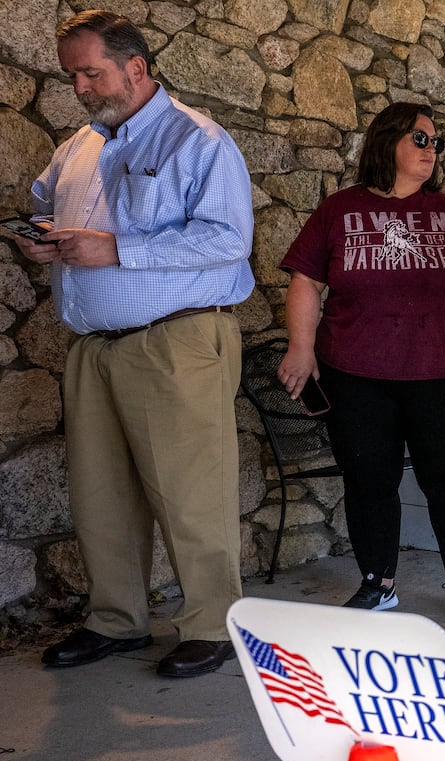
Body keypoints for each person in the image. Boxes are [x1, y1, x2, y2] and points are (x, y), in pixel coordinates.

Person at [24, 10, 253, 677]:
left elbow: (228, 239)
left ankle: (213, 625)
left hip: (176, 342)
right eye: (72, 76)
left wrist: (118, 248)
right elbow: (49, 205)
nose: (82, 88)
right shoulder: (77, 148)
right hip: (95, 347)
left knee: (191, 492)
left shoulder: (198, 140)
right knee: (101, 495)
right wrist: (41, 238)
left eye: (91, 72)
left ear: (136, 68)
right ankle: (116, 620)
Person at [278, 102, 445, 620]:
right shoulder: (338, 210)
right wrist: (300, 347)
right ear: (386, 141)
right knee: (369, 479)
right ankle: (378, 582)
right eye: (420, 138)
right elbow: (305, 281)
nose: (430, 150)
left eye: (436, 142)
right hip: (356, 375)